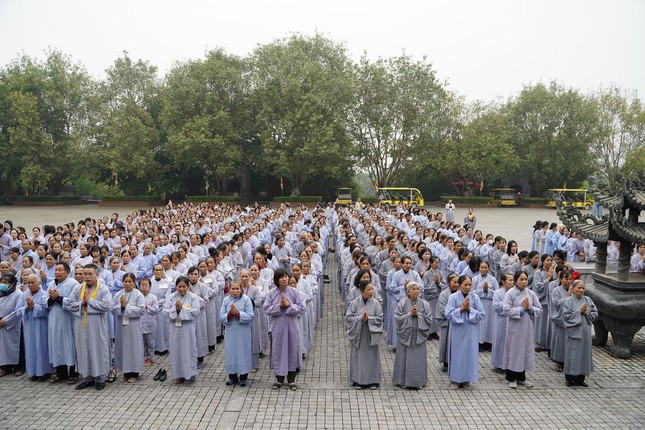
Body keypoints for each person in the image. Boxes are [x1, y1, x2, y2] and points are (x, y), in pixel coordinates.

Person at [64, 264, 112, 391]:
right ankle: (87, 378)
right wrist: (82, 303)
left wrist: (90, 301)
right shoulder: (78, 288)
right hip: (81, 326)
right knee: (83, 350)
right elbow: (69, 304)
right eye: (85, 274)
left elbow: (107, 305)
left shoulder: (103, 289)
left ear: (97, 275)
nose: (87, 276)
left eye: (90, 274)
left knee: (98, 350)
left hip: (97, 326)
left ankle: (101, 379)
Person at [263, 268, 306, 391]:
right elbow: (266, 309)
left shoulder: (294, 292)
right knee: (278, 350)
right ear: (277, 279)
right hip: (278, 327)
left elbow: (302, 308)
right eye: (281, 277)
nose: (284, 279)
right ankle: (279, 379)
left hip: (292, 326)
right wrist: (279, 306)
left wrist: (288, 305)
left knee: (292, 350)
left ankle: (291, 380)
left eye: (286, 276)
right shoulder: (272, 293)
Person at [502, 271, 542, 389]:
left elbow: (539, 309)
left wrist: (529, 308)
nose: (524, 282)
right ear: (515, 281)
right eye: (521, 279)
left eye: (525, 279)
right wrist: (521, 309)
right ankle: (511, 378)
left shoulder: (531, 293)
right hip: (515, 328)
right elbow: (506, 309)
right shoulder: (510, 293)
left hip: (527, 328)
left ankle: (521, 378)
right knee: (514, 352)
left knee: (525, 351)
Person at [445, 275, 484, 390]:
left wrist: (470, 309)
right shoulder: (453, 297)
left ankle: (467, 379)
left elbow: (481, 314)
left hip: (471, 331)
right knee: (457, 353)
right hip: (457, 331)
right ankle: (455, 379)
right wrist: (461, 309)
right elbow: (448, 314)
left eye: (469, 285)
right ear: (459, 285)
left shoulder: (475, 297)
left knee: (469, 354)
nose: (468, 287)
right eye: (465, 285)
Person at [392, 282, 433, 389]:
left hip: (419, 336)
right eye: (413, 289)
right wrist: (410, 314)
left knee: (418, 360)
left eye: (418, 289)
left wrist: (418, 315)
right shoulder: (402, 303)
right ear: (408, 292)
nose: (416, 291)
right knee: (404, 358)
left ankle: (418, 381)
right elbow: (397, 318)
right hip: (406, 335)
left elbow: (429, 319)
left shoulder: (425, 304)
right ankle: (402, 381)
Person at [44, 262, 79, 384]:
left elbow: (73, 302)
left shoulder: (73, 284)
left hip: (67, 319)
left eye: (60, 270)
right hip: (54, 318)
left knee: (69, 345)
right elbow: (44, 300)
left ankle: (73, 374)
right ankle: (61, 373)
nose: (57, 272)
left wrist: (58, 298)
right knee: (57, 344)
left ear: (67, 271)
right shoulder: (51, 284)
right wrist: (51, 299)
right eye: (56, 270)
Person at [163, 275, 201, 384]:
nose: (181, 289)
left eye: (184, 286)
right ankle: (178, 375)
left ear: (188, 286)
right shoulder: (171, 297)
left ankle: (189, 374)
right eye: (179, 286)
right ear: (176, 286)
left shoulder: (193, 297)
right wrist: (175, 309)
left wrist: (181, 310)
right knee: (176, 350)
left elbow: (196, 312)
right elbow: (164, 311)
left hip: (187, 328)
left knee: (188, 350)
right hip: (175, 328)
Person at [345, 281, 383, 390]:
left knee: (372, 357)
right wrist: (360, 318)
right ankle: (358, 380)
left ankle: (373, 380)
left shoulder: (376, 303)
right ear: (361, 291)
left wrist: (369, 318)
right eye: (368, 289)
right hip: (359, 334)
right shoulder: (355, 302)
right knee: (359, 357)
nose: (371, 292)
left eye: (372, 289)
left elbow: (380, 318)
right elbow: (348, 318)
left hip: (371, 334)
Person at [16, 274, 52, 381]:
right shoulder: (24, 295)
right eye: (28, 283)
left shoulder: (44, 294)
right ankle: (34, 372)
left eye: (33, 282)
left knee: (42, 347)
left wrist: (34, 306)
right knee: (31, 348)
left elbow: (47, 310)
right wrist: (27, 307)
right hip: (29, 326)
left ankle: (45, 372)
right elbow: (17, 310)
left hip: (41, 326)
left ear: (39, 282)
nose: (30, 285)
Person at [110, 273, 145, 383]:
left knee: (133, 348)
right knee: (122, 348)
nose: (127, 284)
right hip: (121, 325)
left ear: (134, 283)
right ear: (122, 282)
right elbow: (112, 308)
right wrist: (121, 306)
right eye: (125, 281)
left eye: (130, 282)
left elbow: (141, 310)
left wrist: (126, 306)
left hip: (133, 326)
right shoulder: (119, 294)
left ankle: (134, 373)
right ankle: (126, 372)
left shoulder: (138, 294)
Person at [562, 280, 598, 387]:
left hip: (585, 332)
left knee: (584, 354)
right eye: (579, 288)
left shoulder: (588, 300)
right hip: (573, 331)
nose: (581, 290)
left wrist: (586, 313)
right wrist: (579, 312)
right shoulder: (568, 301)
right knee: (572, 354)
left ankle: (580, 379)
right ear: (573, 289)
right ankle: (570, 379)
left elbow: (595, 313)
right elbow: (566, 316)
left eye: (583, 288)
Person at [220, 280, 254, 387]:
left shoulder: (246, 299)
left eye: (237, 289)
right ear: (229, 289)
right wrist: (230, 314)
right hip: (230, 331)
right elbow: (221, 317)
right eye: (233, 289)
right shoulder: (226, 300)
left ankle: (243, 377)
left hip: (243, 332)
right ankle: (232, 377)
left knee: (243, 352)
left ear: (241, 289)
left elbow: (250, 315)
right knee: (231, 353)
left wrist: (238, 313)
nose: (235, 291)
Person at [0, 273, 23, 376]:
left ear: (12, 284)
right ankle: (5, 367)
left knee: (16, 346)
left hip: (13, 324)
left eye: (5, 283)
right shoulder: (1, 293)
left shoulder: (18, 294)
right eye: (1, 282)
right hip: (1, 324)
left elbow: (18, 310)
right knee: (3, 347)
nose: (2, 285)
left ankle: (19, 367)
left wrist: (5, 321)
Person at [549, 269, 572, 372]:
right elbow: (555, 303)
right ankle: (559, 361)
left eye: (570, 279)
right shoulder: (556, 290)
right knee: (560, 341)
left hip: (571, 319)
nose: (568, 281)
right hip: (560, 318)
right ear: (561, 279)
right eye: (566, 279)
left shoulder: (574, 289)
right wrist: (567, 297)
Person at [472, 261, 498, 351]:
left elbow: (497, 293)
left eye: (485, 268)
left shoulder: (493, 279)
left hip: (489, 305)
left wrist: (488, 290)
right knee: (480, 323)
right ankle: (479, 343)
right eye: (481, 267)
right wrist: (482, 290)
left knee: (490, 323)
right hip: (479, 303)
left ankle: (489, 343)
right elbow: (471, 292)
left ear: (488, 268)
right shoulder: (475, 279)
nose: (483, 269)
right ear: (479, 268)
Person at [435, 273, 459, 370]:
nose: (456, 284)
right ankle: (446, 362)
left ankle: (457, 362)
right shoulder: (444, 294)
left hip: (458, 323)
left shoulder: (460, 293)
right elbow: (442, 308)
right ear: (449, 283)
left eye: (458, 282)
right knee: (446, 342)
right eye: (454, 282)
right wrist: (455, 314)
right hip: (447, 322)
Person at [491, 273, 513, 373]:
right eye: (510, 280)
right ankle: (499, 364)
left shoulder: (515, 292)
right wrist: (507, 303)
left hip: (512, 320)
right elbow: (496, 306)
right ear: (503, 282)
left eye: (513, 280)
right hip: (502, 320)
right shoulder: (498, 292)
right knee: (500, 341)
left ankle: (510, 364)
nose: (512, 282)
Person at [139, 277, 160, 367]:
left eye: (146, 285)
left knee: (150, 342)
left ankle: (151, 358)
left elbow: (156, 310)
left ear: (150, 287)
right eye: (142, 285)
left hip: (150, 323)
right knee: (143, 343)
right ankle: (144, 357)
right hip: (140, 323)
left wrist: (147, 306)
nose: (144, 287)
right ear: (139, 286)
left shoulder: (153, 297)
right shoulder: (138, 296)